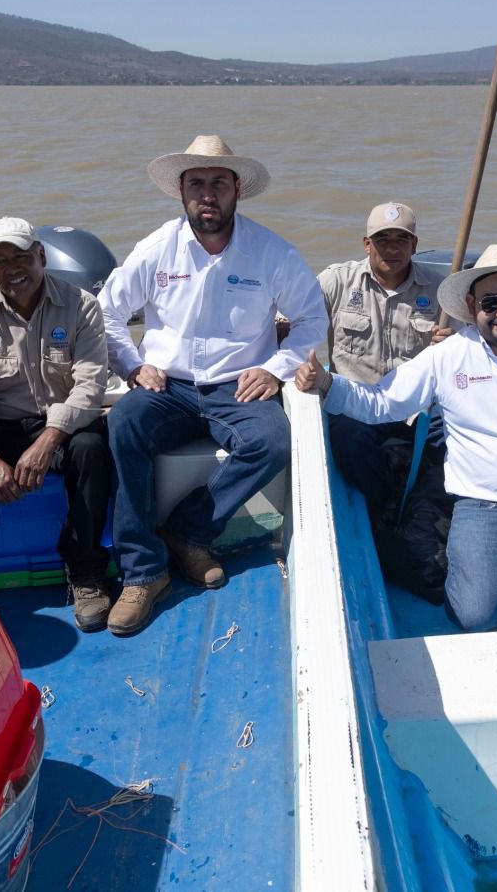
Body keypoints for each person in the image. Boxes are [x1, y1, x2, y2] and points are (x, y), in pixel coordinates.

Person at [296, 243, 497, 631]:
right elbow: (383, 402)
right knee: (473, 618)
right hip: (486, 512)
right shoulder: (447, 356)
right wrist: (325, 383)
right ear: (472, 306)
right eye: (490, 303)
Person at [99, 135, 327, 636]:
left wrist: (276, 368)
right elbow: (107, 314)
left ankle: (188, 531)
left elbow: (312, 319)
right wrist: (133, 365)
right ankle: (143, 573)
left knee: (272, 440)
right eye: (196, 183)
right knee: (123, 424)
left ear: (237, 190)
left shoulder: (272, 252)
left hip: (237, 386)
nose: (207, 194)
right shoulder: (155, 249)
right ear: (181, 192)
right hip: (168, 386)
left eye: (218, 183)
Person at [0, 217, 112, 629]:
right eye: (0, 260)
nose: (12, 268)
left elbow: (90, 386)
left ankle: (86, 571)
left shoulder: (82, 305)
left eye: (21, 256)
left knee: (91, 448)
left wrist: (48, 442)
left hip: (60, 424)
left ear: (41, 256)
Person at [316, 201, 453, 600]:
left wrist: (454, 340)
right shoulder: (336, 281)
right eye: (382, 240)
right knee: (349, 440)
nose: (391, 248)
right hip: (355, 403)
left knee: (452, 448)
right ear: (366, 243)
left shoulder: (442, 291)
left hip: (415, 408)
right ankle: (383, 510)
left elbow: (472, 350)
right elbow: (296, 322)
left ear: (414, 245)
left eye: (401, 240)